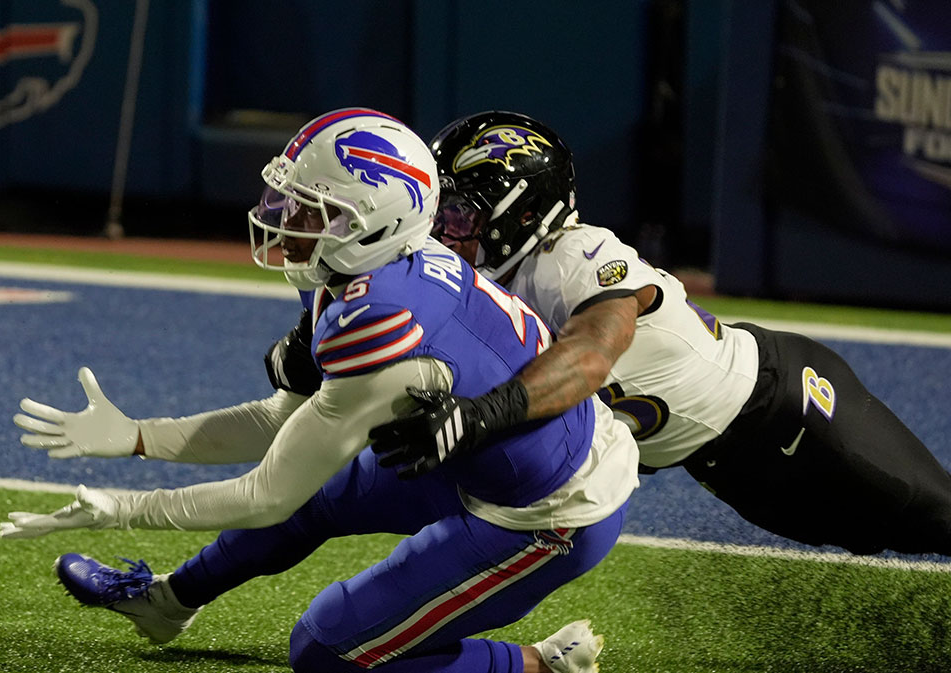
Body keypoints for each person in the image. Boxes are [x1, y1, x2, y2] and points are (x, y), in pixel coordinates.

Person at [2, 108, 640, 673]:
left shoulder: (388, 321)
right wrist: (139, 437)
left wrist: (122, 508)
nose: (285, 218)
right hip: (473, 447)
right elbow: (287, 420)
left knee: (325, 651)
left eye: (313, 209)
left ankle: (541, 665)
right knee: (320, 494)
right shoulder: (371, 265)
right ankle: (166, 603)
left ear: (374, 224)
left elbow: (264, 496)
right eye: (290, 198)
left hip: (549, 508)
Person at [367, 110, 951, 557]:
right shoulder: (473, 283)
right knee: (886, 541)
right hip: (721, 464)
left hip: (785, 404)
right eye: (439, 212)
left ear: (521, 214)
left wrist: (477, 418)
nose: (442, 232)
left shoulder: (572, 255)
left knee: (936, 516)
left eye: (460, 216)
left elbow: (592, 357)